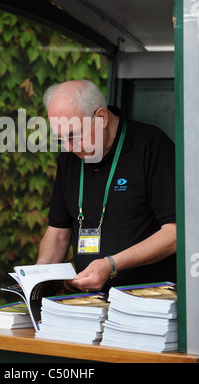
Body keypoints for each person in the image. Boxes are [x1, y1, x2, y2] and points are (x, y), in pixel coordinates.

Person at [36, 80, 176, 293]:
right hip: (90, 302)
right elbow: (58, 233)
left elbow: (176, 233)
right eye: (61, 138)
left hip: (149, 303)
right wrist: (38, 275)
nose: (68, 147)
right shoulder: (69, 157)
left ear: (101, 117)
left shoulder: (152, 146)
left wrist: (111, 265)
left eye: (73, 135)